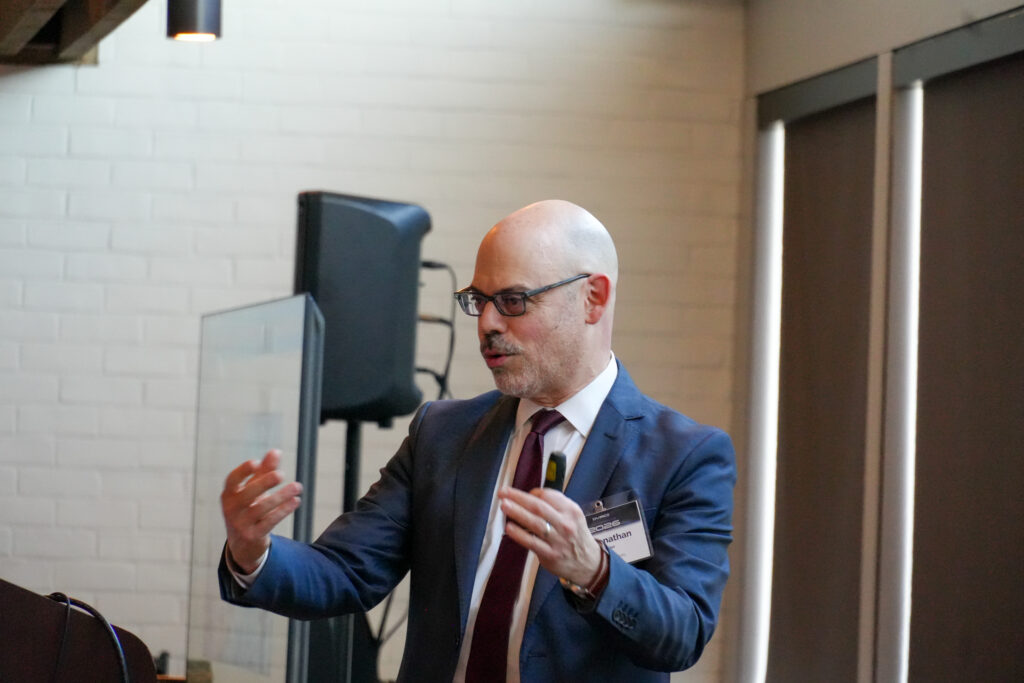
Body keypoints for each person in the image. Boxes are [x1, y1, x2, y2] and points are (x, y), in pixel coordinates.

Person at [219, 199, 736, 681]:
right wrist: (252, 553)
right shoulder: (442, 434)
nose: (487, 324)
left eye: (513, 301)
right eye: (478, 301)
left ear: (592, 298)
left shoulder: (684, 456)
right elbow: (345, 572)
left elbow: (683, 633)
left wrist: (595, 570)